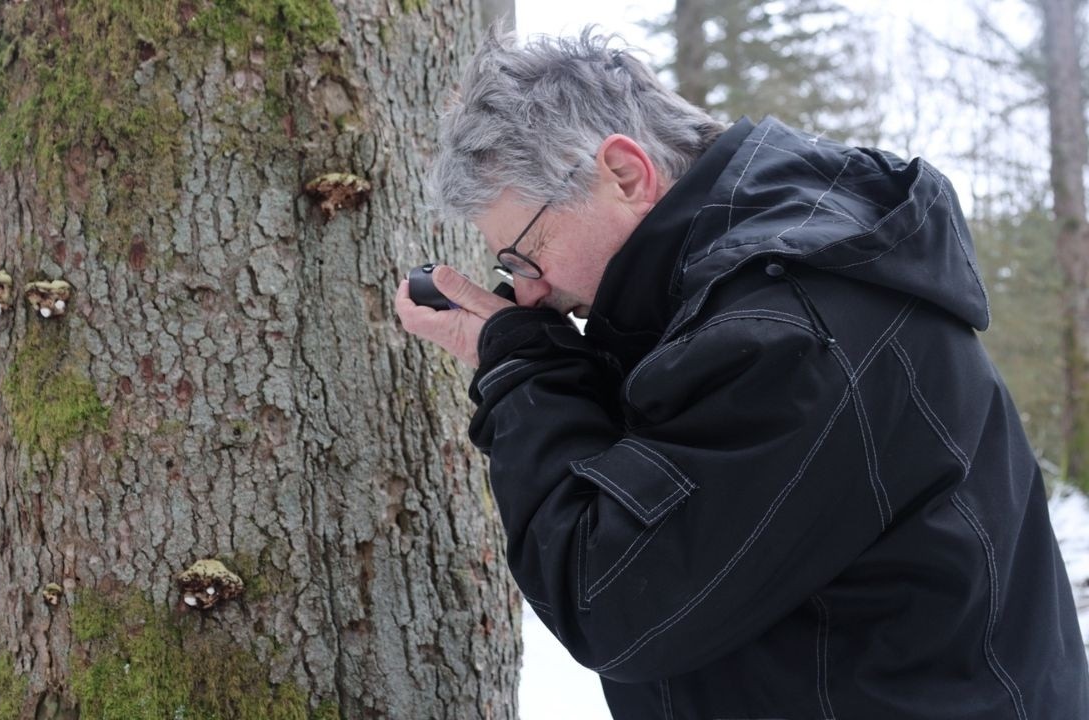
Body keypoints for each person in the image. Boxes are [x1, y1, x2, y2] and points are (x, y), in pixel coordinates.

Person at [394, 28, 1089, 719]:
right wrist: (547, 359)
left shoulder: (790, 334)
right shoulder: (738, 292)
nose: (530, 292)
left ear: (627, 175)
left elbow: (608, 601)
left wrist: (524, 372)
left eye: (525, 254)